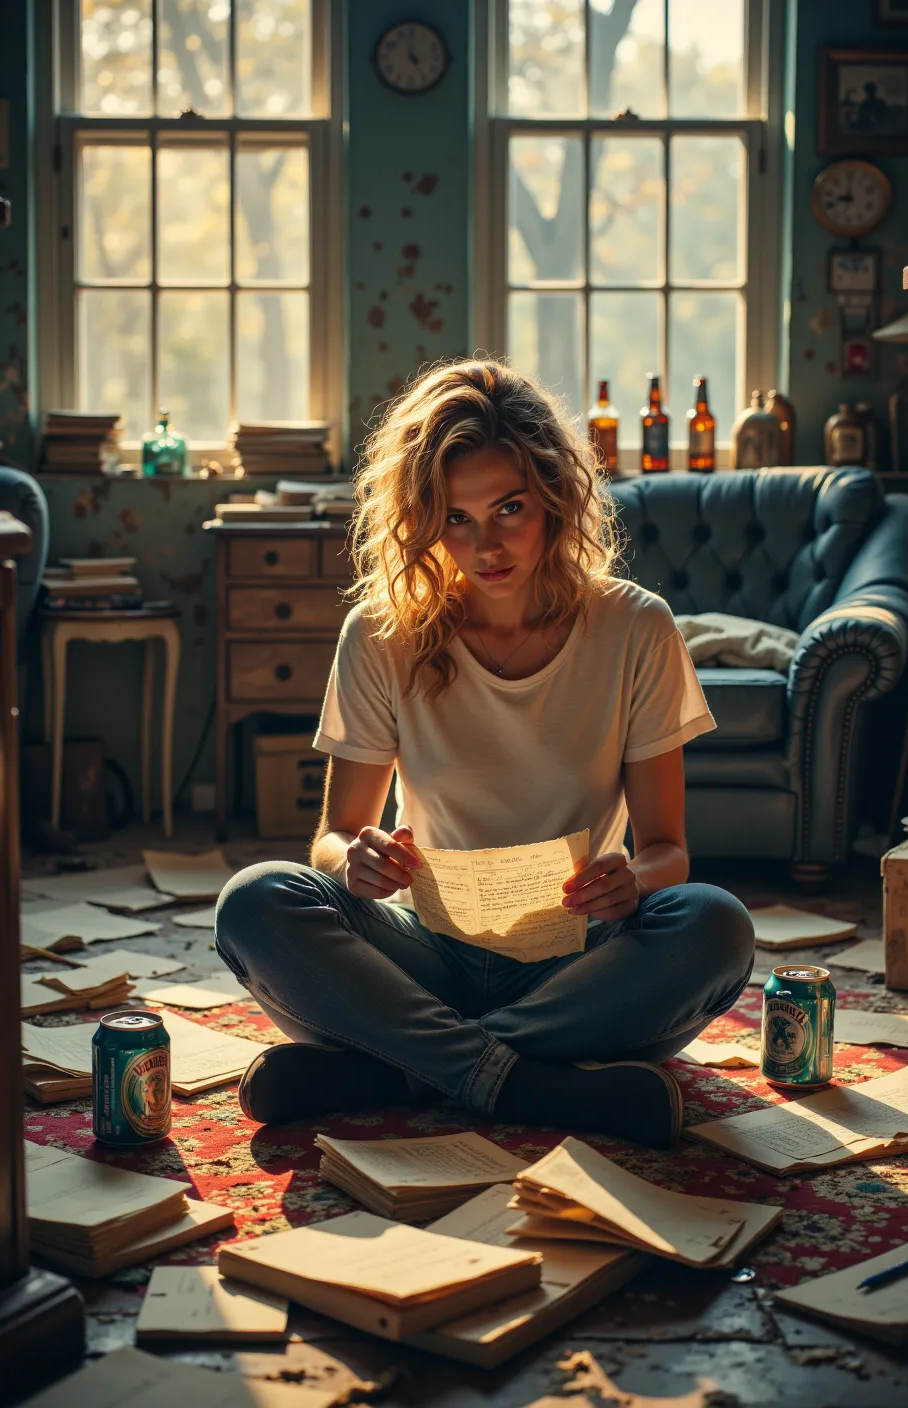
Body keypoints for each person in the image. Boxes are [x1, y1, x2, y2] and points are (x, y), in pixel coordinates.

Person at [215, 360, 755, 1149]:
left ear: (556, 501)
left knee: (714, 925)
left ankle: (397, 1069)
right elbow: (333, 838)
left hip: (577, 961)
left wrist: (632, 878)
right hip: (422, 951)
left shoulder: (637, 627)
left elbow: (668, 851)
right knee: (255, 900)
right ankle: (519, 1080)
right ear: (424, 518)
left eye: (509, 509)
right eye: (456, 518)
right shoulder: (379, 632)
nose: (486, 545)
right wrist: (353, 862)